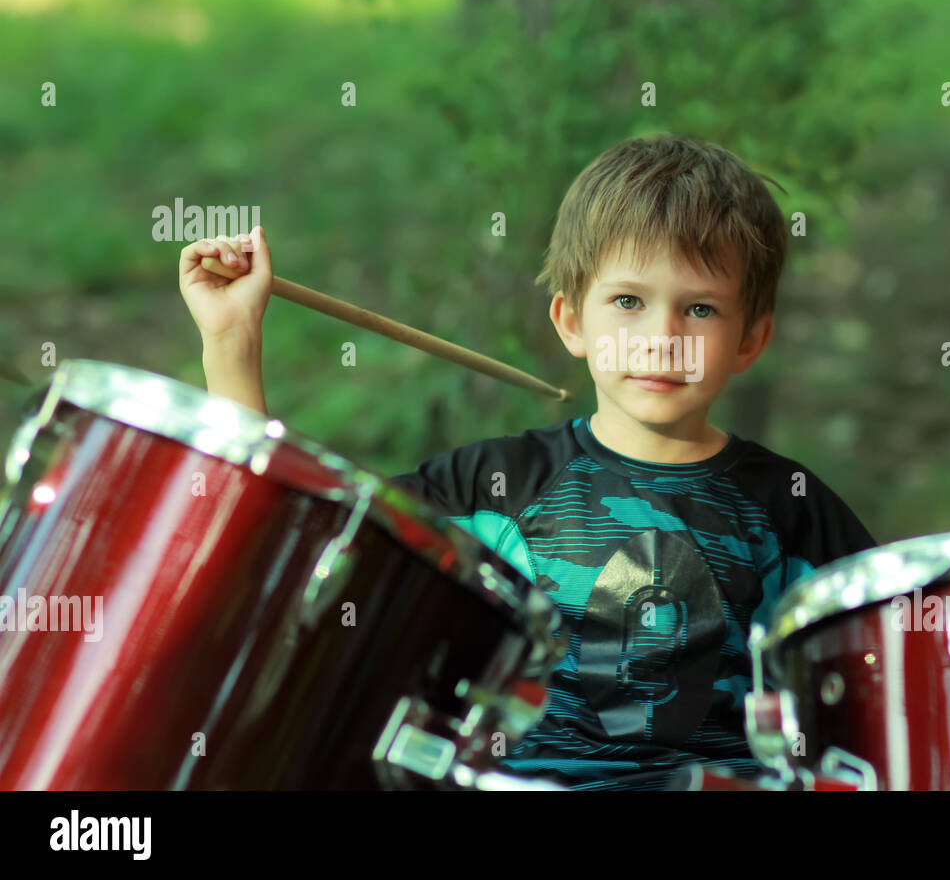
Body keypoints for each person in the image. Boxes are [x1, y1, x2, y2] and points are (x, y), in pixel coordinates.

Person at [178, 132, 876, 790]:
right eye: (628, 302)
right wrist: (232, 345)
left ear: (750, 340)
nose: (661, 339)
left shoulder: (793, 513)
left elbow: (889, 701)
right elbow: (283, 547)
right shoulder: (490, 491)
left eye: (699, 310)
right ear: (572, 321)